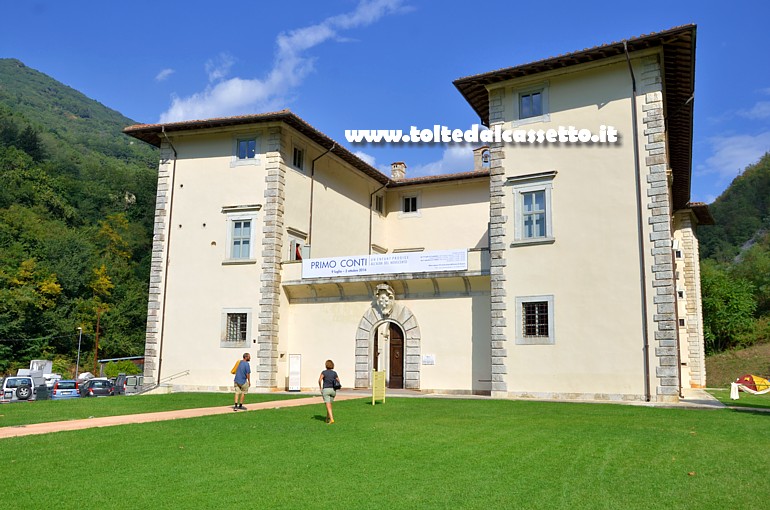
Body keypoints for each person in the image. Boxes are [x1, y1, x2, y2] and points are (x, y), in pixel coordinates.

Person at [318, 359, 340, 424]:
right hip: (333, 390)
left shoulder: (324, 372)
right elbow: (338, 380)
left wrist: (320, 387)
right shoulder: (334, 373)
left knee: (327, 405)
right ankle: (327, 418)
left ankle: (332, 419)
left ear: (326, 365)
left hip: (326, 390)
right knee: (329, 404)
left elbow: (319, 380)